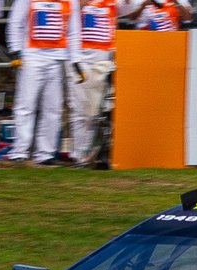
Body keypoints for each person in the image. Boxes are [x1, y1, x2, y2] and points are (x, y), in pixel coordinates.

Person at [7, 0, 83, 165]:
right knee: (26, 105)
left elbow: (74, 30)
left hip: (57, 58)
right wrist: (15, 50)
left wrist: (76, 59)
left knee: (53, 108)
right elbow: (16, 21)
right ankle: (20, 150)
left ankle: (45, 153)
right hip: (32, 55)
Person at [67, 0, 117, 165]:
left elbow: (130, 9)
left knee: (95, 111)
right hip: (80, 59)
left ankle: (89, 154)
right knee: (79, 109)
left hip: (103, 60)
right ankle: (78, 155)